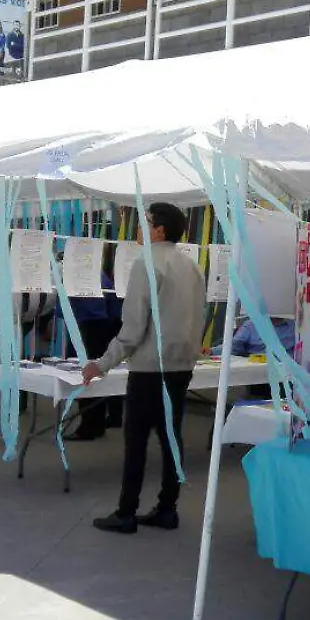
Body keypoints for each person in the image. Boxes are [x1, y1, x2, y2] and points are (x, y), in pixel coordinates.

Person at [83, 203, 206, 534]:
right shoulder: (192, 265)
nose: (139, 227)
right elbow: (200, 316)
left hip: (150, 368)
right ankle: (167, 508)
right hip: (181, 366)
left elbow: (134, 328)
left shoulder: (147, 264)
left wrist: (101, 363)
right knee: (171, 438)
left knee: (136, 441)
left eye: (145, 222)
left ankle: (126, 512)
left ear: (159, 230)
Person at [64, 272, 124, 441]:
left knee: (90, 370)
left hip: (93, 320)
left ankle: (90, 426)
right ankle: (111, 417)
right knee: (108, 368)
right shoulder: (100, 273)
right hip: (108, 319)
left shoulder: (82, 270)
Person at [209, 317, 295, 357]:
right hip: (259, 370)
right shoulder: (251, 325)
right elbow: (235, 345)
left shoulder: (294, 326)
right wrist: (211, 351)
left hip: (288, 372)